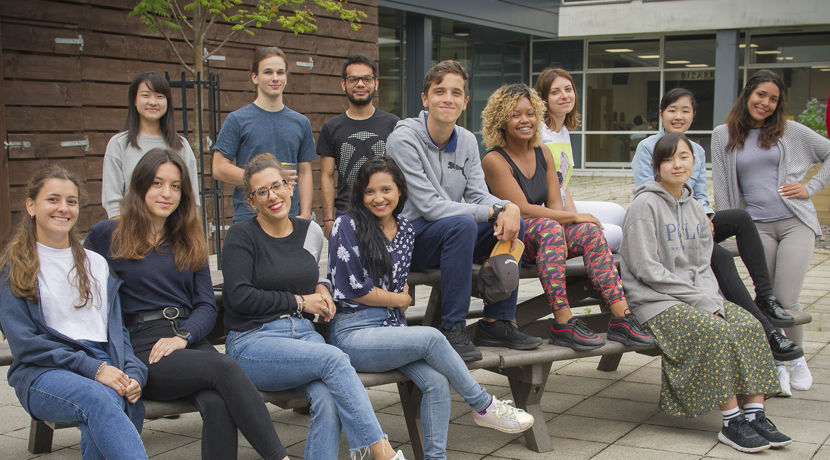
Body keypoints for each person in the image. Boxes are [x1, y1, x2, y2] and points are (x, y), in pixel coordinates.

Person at [86, 149, 288, 460]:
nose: (167, 193)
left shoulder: (188, 238)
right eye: (157, 183)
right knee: (224, 366)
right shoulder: (108, 234)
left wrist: (183, 337)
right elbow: (83, 291)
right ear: (140, 186)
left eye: (176, 186)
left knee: (217, 402)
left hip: (188, 341)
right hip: (143, 348)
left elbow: (207, 305)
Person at [327, 156, 534, 459]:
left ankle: (436, 457)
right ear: (360, 194)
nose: (378, 198)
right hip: (353, 332)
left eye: (386, 189)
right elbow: (352, 288)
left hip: (390, 331)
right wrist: (399, 300)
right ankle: (482, 405)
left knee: (436, 381)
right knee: (433, 337)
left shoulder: (406, 230)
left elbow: (396, 284)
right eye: (370, 192)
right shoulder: (346, 225)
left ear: (400, 191)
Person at [221, 153, 405, 460]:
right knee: (335, 359)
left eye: (277, 186)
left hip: (303, 337)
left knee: (328, 397)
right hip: (254, 341)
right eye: (261, 192)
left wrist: (322, 288)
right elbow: (240, 297)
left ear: (290, 187)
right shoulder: (241, 236)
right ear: (251, 202)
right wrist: (300, 301)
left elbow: (316, 274)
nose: (273, 196)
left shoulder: (309, 231)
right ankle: (380, 451)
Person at [622, 133, 791, 453]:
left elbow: (703, 266)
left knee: (750, 326)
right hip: (655, 301)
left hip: (697, 297)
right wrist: (701, 302)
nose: (677, 164)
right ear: (656, 167)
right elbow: (647, 269)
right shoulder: (644, 205)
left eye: (683, 157)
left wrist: (710, 299)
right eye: (669, 159)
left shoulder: (696, 209)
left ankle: (755, 415)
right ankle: (731, 422)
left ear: (694, 163)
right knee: (713, 331)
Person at [631, 88, 802, 364]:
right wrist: (695, 218)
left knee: (741, 218)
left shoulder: (696, 150)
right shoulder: (647, 148)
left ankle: (766, 295)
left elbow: (699, 193)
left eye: (685, 110)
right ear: (661, 115)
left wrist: (705, 217)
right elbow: (646, 189)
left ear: (693, 115)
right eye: (672, 110)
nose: (678, 116)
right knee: (719, 256)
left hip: (694, 220)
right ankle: (768, 332)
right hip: (665, 224)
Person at [386, 60, 543, 362]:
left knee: (515, 224)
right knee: (464, 225)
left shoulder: (467, 140)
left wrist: (507, 208)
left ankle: (497, 322)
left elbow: (477, 194)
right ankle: (452, 328)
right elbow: (430, 206)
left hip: (450, 233)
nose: (448, 98)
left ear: (465, 101)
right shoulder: (403, 139)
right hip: (408, 237)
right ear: (424, 98)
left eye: (456, 93)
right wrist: (493, 211)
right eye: (439, 91)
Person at [480, 83, 653, 351]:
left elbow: (553, 203)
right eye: (515, 114)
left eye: (530, 113)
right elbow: (523, 209)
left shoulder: (544, 152)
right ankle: (563, 321)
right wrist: (572, 216)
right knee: (552, 226)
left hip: (546, 236)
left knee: (591, 232)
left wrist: (574, 220)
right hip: (516, 239)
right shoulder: (494, 159)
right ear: (500, 120)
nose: (525, 120)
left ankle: (621, 317)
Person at [0, 166, 148, 460]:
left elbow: (118, 333)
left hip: (104, 364)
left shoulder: (96, 263)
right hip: (44, 371)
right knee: (99, 397)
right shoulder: (15, 267)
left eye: (71, 201)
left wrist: (133, 373)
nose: (63, 208)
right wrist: (93, 369)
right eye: (52, 199)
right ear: (31, 205)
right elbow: (25, 344)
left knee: (111, 397)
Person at [713, 69, 830, 394]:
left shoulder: (789, 131)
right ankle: (777, 365)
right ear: (748, 93)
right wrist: (729, 226)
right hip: (757, 228)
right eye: (761, 94)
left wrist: (811, 187)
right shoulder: (723, 134)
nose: (765, 103)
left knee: (786, 298)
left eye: (773, 99)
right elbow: (722, 187)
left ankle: (796, 360)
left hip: (795, 223)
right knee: (767, 299)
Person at [213, 46, 315, 221]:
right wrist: (263, 180)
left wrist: (305, 214)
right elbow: (219, 168)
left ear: (286, 78)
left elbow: (305, 171)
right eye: (268, 72)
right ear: (255, 77)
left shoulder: (301, 123)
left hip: (289, 216)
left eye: (280, 72)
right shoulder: (237, 120)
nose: (275, 78)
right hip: (250, 216)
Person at [534, 67, 626, 251]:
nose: (564, 96)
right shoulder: (538, 133)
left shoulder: (563, 132)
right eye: (555, 92)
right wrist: (571, 221)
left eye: (568, 89)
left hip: (562, 205)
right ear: (543, 99)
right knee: (615, 234)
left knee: (619, 213)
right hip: (546, 212)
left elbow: (563, 184)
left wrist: (575, 217)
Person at [318, 54, 399, 237]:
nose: (360, 84)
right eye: (353, 79)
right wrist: (329, 219)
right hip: (346, 213)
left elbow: (400, 172)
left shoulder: (393, 124)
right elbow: (327, 175)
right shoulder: (331, 127)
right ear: (343, 84)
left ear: (376, 83)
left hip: (385, 212)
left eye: (367, 79)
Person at [103, 71, 200, 218]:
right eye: (146, 95)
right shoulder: (119, 144)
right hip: (132, 231)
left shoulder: (181, 146)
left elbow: (192, 200)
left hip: (173, 233)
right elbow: (113, 201)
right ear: (134, 100)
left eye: (160, 96)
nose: (153, 102)